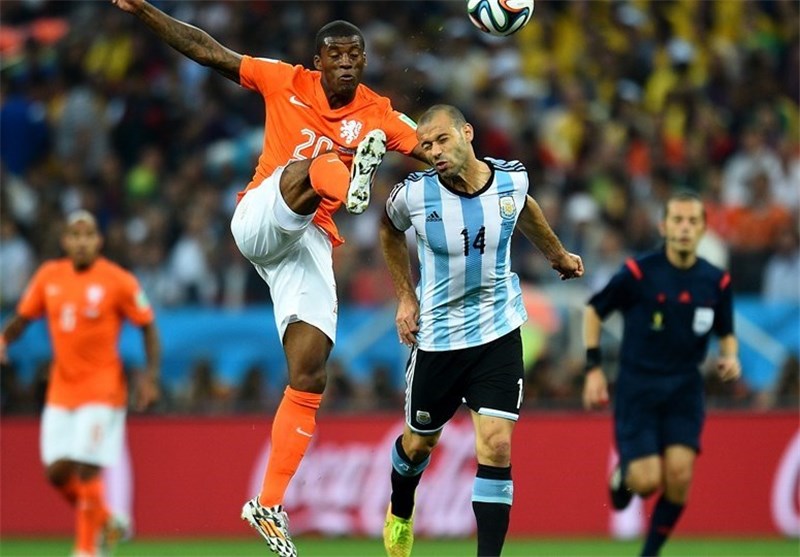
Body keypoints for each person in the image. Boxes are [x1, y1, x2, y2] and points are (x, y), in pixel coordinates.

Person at [111, 2, 427, 555]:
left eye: (355, 55)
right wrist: (143, 10)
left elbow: (431, 147)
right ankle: (349, 184)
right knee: (315, 167)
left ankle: (268, 503)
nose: (346, 63)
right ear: (317, 62)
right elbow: (207, 50)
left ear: (364, 61)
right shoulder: (284, 80)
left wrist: (478, 166)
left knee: (310, 374)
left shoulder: (380, 114)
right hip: (262, 214)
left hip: (309, 240)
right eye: (335, 55)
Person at [379, 104, 584, 557]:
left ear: (467, 133)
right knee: (418, 445)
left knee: (496, 445)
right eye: (426, 145)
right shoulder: (415, 194)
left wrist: (557, 255)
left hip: (497, 331)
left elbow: (524, 210)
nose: (434, 151)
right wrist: (405, 297)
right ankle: (401, 508)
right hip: (438, 339)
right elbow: (389, 230)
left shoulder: (512, 179)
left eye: (442, 140)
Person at [582, 191, 741, 557]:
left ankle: (649, 553)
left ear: (703, 229)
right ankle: (625, 476)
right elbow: (594, 311)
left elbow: (727, 332)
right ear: (664, 227)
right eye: (677, 220)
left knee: (680, 476)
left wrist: (730, 357)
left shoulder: (716, 281)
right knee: (647, 481)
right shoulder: (639, 273)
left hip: (685, 387)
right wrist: (593, 369)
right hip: (639, 386)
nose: (684, 228)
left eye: (692, 221)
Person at [0, 210, 160, 557]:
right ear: (65, 241)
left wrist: (150, 377)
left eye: (88, 235)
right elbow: (23, 318)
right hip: (61, 391)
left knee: (88, 466)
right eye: (75, 235)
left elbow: (147, 325)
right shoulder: (49, 276)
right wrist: (3, 339)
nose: (82, 242)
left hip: (103, 391)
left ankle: (86, 549)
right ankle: (105, 519)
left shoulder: (118, 280)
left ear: (98, 241)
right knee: (56, 473)